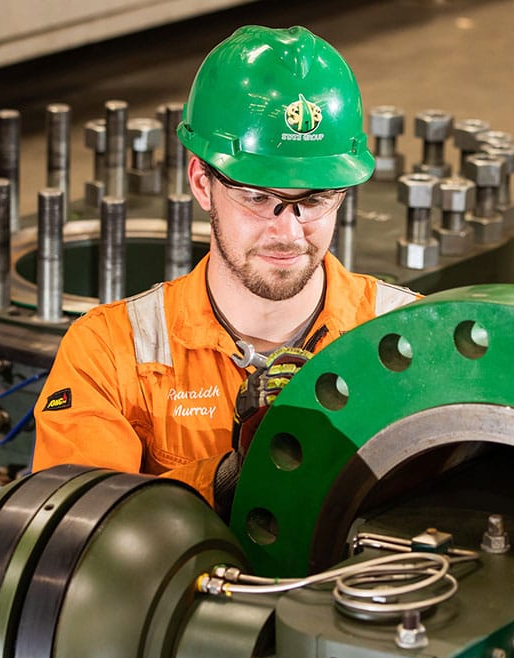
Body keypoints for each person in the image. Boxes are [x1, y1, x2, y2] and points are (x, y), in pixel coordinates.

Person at [31, 25, 419, 514]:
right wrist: (229, 477)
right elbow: (76, 531)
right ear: (201, 182)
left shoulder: (408, 337)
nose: (290, 232)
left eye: (316, 200)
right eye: (259, 198)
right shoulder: (111, 355)